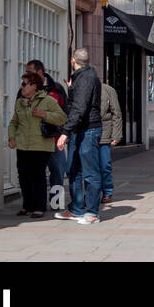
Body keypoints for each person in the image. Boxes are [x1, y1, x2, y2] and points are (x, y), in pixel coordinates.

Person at [55, 48, 104, 224]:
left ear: (72, 61)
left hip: (88, 130)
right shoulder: (81, 78)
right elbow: (75, 105)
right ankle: (75, 209)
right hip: (79, 129)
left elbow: (79, 108)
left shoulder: (86, 78)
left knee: (90, 173)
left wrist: (65, 132)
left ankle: (92, 213)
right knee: (73, 169)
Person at [8, 72, 66, 218]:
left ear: (34, 86)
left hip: (41, 145)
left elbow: (62, 118)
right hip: (23, 145)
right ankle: (26, 205)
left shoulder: (48, 101)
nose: (21, 87)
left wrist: (44, 115)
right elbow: (14, 122)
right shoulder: (20, 102)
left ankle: (39, 206)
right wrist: (11, 137)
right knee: (23, 176)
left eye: (24, 84)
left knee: (38, 176)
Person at [98, 81, 123, 204]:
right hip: (87, 132)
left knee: (105, 165)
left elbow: (116, 113)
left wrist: (116, 135)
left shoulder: (108, 90)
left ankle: (107, 192)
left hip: (104, 133)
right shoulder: (82, 88)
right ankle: (93, 193)